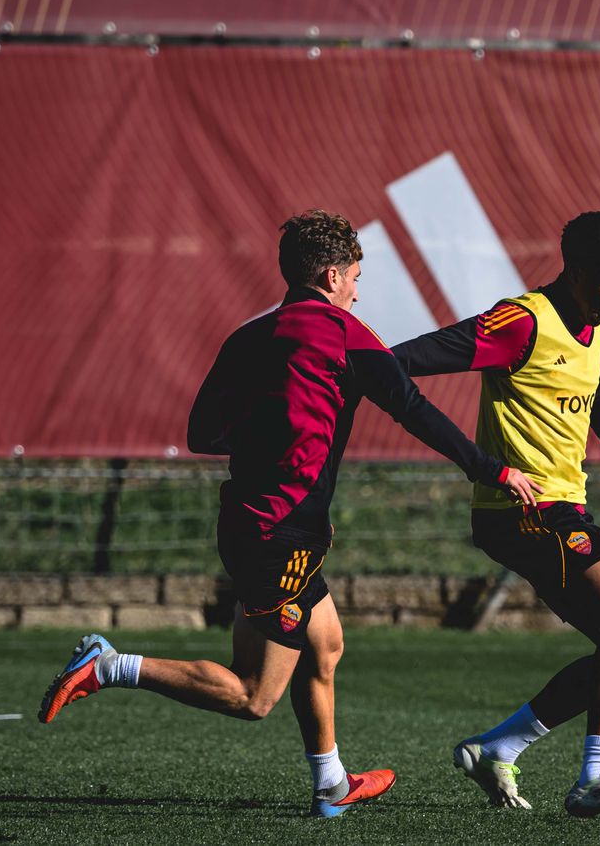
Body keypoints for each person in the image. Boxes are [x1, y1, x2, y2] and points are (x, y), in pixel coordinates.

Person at [37, 209, 540, 819]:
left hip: (254, 524)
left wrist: (270, 433)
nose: (358, 288)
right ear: (331, 275)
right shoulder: (345, 333)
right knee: (253, 695)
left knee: (325, 645)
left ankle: (331, 782)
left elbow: (202, 433)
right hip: (281, 536)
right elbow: (414, 409)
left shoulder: (249, 336)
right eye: (356, 275)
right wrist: (494, 470)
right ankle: (111, 665)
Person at [392, 209, 600, 817]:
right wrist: (361, 371)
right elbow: (412, 357)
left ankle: (500, 746)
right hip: (522, 509)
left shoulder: (593, 323)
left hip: (567, 508)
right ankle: (597, 776)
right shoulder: (522, 321)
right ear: (574, 271)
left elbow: (599, 386)